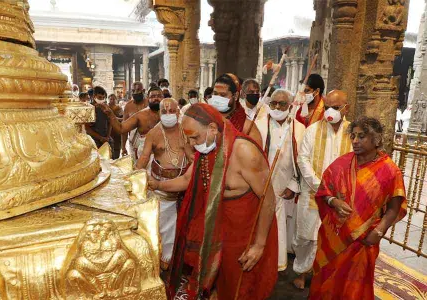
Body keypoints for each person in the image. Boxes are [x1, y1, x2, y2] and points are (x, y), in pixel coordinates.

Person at [149, 103, 278, 299]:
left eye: (195, 137)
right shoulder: (207, 149)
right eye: (189, 139)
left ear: (211, 128)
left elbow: (268, 201)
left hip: (244, 235)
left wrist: (259, 245)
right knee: (217, 282)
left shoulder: (244, 151)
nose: (192, 144)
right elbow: (186, 180)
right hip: (216, 230)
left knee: (240, 289)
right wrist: (156, 184)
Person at [309, 116, 407, 300]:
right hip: (334, 238)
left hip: (364, 241)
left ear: (376, 139)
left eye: (361, 136)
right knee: (327, 281)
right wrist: (334, 202)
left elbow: (394, 208)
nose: (355, 141)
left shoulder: (390, 170)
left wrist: (378, 231)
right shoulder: (341, 164)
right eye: (353, 136)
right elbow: (323, 192)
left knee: (354, 288)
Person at [293, 89, 353, 289]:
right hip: (313, 192)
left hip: (340, 196)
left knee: (333, 237)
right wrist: (320, 186)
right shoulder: (313, 129)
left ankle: (324, 274)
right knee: (305, 236)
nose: (330, 111)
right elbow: (303, 159)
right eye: (327, 107)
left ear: (346, 108)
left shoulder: (353, 132)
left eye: (335, 108)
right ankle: (301, 271)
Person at [135, 98, 195, 270]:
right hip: (160, 187)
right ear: (159, 113)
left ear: (178, 112)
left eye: (172, 111)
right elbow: (144, 158)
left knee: (184, 227)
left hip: (184, 187)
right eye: (164, 111)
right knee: (162, 228)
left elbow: (192, 156)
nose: (168, 115)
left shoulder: (186, 130)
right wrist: (134, 175)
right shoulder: (154, 133)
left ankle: (181, 262)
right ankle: (164, 263)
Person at [255, 89, 305, 271]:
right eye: (273, 103)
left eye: (282, 104)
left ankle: (274, 266)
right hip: (259, 186)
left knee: (278, 229)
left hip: (283, 188)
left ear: (290, 106)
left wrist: (293, 184)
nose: (276, 107)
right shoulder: (259, 126)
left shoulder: (299, 129)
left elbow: (302, 160)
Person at [101, 86, 162, 162]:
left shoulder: (171, 113)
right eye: (153, 96)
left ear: (163, 97)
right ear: (148, 98)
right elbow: (121, 128)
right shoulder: (140, 115)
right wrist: (111, 114)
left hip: (165, 155)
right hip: (145, 157)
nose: (156, 98)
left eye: (159, 96)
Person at [209, 73, 263, 145]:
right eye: (215, 94)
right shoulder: (205, 118)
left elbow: (256, 155)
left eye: (223, 95)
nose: (218, 98)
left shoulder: (247, 127)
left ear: (236, 96)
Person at [120, 82, 148, 157]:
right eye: (133, 91)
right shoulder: (128, 106)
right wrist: (123, 148)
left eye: (138, 90)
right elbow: (124, 128)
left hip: (149, 141)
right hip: (133, 143)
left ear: (143, 91)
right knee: (135, 166)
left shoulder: (149, 104)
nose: (135, 93)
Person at [108, 94, 123, 159]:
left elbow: (123, 118)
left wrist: (114, 118)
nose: (112, 100)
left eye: (114, 99)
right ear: (108, 99)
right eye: (111, 99)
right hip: (108, 130)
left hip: (116, 130)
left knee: (117, 145)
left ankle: (116, 158)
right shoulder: (106, 107)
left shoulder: (119, 108)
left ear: (116, 100)